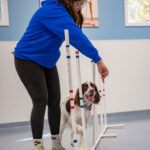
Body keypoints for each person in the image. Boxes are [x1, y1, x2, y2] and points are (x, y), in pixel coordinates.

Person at [13, 0, 109, 150]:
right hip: (27, 59)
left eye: (83, 4)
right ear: (69, 1)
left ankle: (56, 143)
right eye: (79, 4)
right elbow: (77, 37)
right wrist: (98, 60)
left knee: (55, 100)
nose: (80, 8)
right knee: (40, 100)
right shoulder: (54, 10)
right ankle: (38, 146)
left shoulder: (61, 12)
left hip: (47, 60)